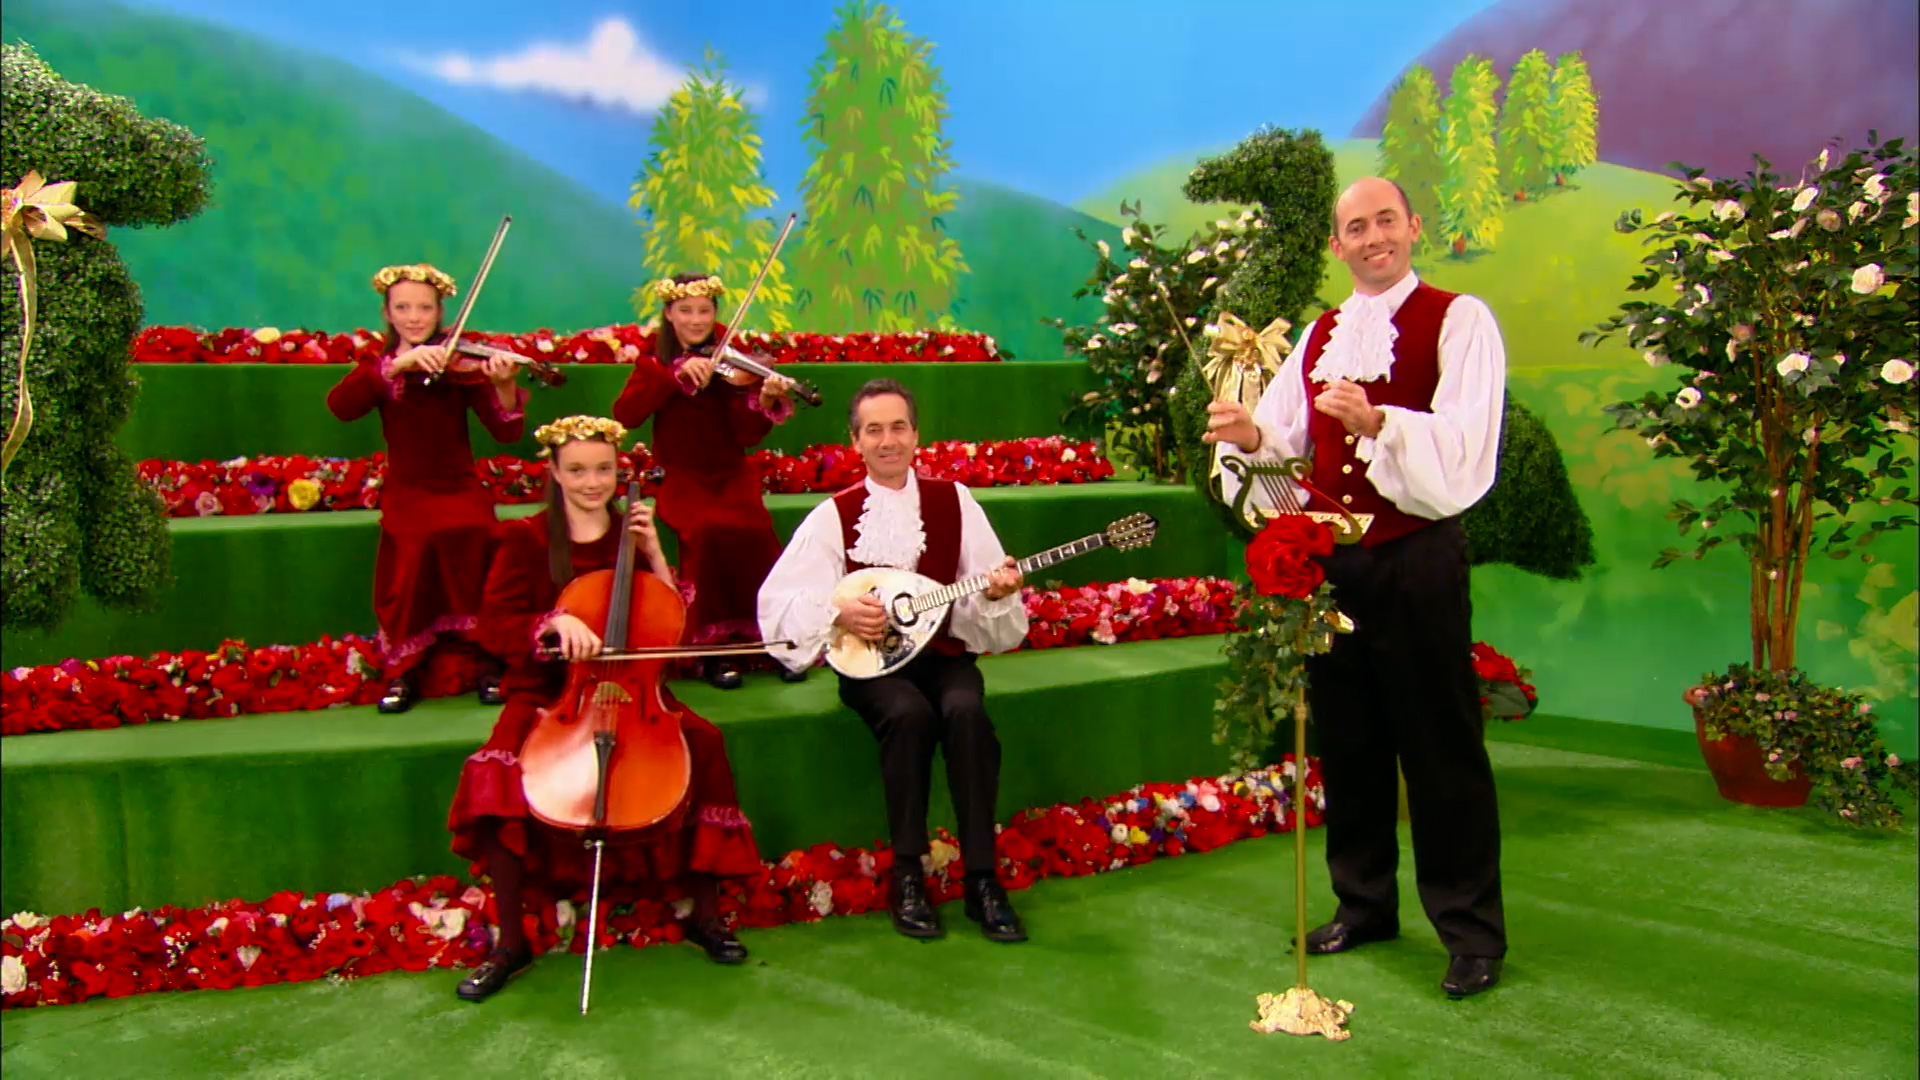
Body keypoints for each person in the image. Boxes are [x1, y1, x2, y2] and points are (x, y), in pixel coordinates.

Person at [1204, 177, 1508, 998]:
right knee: (1352, 742)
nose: (1373, 237)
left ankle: (1470, 932)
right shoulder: (1318, 335)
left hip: (1416, 559)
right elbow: (1288, 442)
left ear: (1413, 226)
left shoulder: (1460, 319)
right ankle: (1364, 903)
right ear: (1336, 246)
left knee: (1441, 748)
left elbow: (1468, 447)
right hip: (1333, 566)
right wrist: (1249, 433)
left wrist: (1378, 422)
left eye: (1385, 221)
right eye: (1354, 228)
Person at [446, 415, 763, 1002]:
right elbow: (492, 625)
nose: (593, 482)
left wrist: (654, 554)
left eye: (603, 469)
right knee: (494, 769)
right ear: (553, 473)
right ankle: (510, 939)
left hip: (636, 689)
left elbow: (677, 632)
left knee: (708, 743)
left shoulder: (635, 534)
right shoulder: (526, 538)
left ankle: (706, 914)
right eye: (578, 470)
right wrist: (554, 621)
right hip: (550, 692)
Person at [757, 378, 1030, 944]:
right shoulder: (834, 515)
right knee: (908, 716)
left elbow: (984, 588)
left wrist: (997, 594)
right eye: (873, 430)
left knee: (965, 712)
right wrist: (838, 610)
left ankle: (982, 878)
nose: (888, 440)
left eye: (898, 427)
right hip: (869, 667)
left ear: (916, 435)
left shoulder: (954, 500)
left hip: (944, 655)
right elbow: (778, 603)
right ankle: (908, 874)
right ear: (855, 441)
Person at [327, 264, 524, 713]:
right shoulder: (380, 367)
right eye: (403, 308)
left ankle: (491, 663)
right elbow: (340, 406)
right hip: (409, 489)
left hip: (459, 485)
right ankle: (403, 672)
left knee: (479, 536)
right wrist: (398, 364)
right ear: (388, 313)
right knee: (414, 548)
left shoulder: (461, 362)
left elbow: (506, 431)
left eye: (424, 308)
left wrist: (505, 384)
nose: (415, 317)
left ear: (439, 312)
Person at [613, 273, 803, 690]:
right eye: (686, 311)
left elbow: (746, 435)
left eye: (704, 310)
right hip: (682, 476)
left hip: (730, 473)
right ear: (668, 314)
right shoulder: (653, 362)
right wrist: (674, 377)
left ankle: (774, 641)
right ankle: (713, 651)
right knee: (705, 532)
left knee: (755, 531)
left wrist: (764, 399)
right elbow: (626, 413)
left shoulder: (732, 361)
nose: (696, 320)